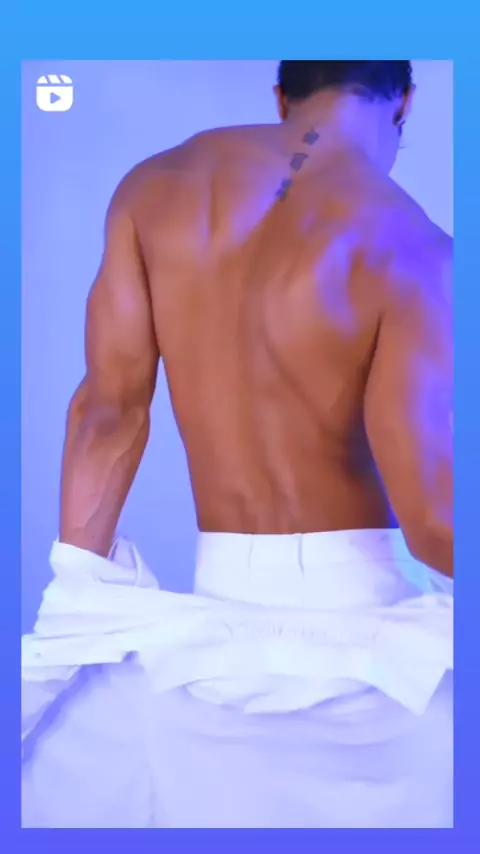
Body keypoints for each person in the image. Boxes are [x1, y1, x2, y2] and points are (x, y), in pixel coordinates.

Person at [22, 60, 453, 828]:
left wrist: (75, 603)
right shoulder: (416, 246)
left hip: (196, 651)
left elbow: (107, 414)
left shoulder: (153, 189)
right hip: (376, 667)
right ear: (405, 105)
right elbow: (433, 518)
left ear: (281, 95)